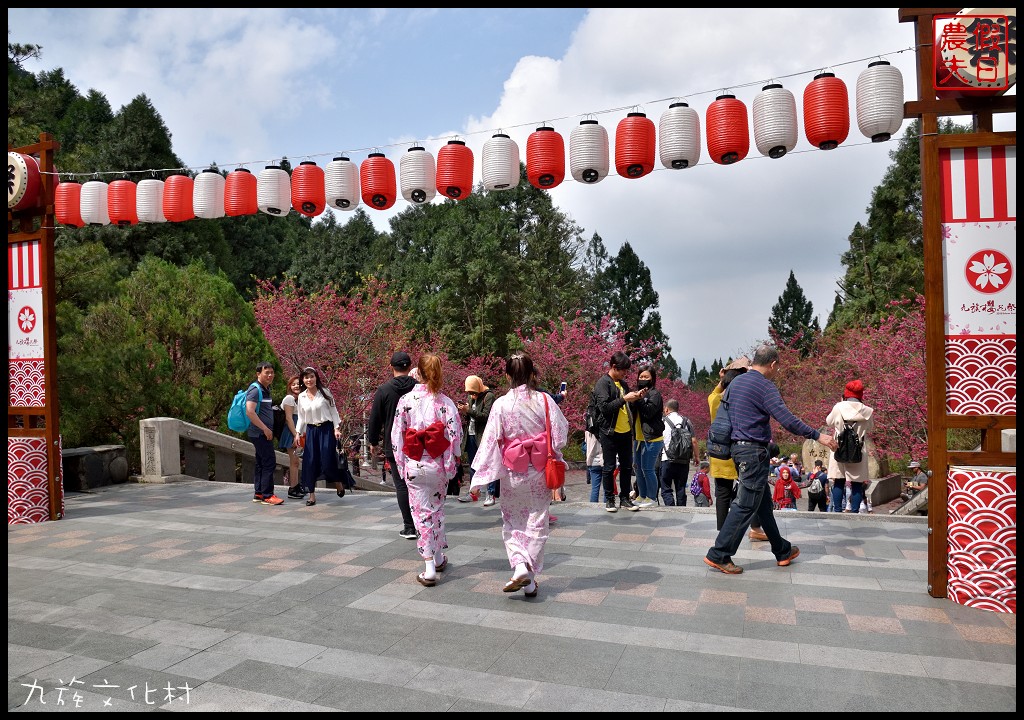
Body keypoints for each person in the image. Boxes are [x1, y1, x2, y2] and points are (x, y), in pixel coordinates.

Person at [704, 344, 837, 575]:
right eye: (778, 367)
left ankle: (782, 550)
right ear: (773, 364)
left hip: (737, 450)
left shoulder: (736, 383)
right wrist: (818, 435)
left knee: (763, 503)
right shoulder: (765, 387)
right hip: (753, 452)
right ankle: (719, 553)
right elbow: (787, 419)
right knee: (745, 504)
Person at [470, 353, 568, 598]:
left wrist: (479, 479)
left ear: (507, 376)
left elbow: (491, 441)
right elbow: (560, 435)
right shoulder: (545, 400)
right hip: (538, 471)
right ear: (533, 374)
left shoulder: (501, 404)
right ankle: (527, 571)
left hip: (513, 472)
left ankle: (523, 571)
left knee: (513, 521)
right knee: (537, 520)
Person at [391, 354, 463, 587]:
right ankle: (439, 556)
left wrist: (401, 464)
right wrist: (451, 464)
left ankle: (430, 566)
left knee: (420, 513)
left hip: (414, 462)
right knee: (436, 509)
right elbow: (455, 437)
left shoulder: (406, 401)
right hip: (437, 464)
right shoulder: (445, 403)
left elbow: (397, 435)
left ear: (417, 373)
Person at [708, 358, 766, 539]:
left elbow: (717, 390)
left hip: (718, 453)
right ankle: (755, 528)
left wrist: (723, 377)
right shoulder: (742, 397)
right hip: (739, 452)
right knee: (751, 491)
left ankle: (722, 533)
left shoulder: (714, 398)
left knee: (722, 495)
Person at [367, 351, 419, 540]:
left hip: (394, 443)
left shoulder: (384, 390)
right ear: (409, 366)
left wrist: (373, 441)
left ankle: (409, 526)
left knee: (401, 485)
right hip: (419, 442)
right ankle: (423, 522)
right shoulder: (419, 388)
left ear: (392, 367)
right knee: (418, 484)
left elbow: (375, 419)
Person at [592, 351, 642, 513]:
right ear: (614, 367)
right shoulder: (603, 383)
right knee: (609, 466)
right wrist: (624, 399)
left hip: (626, 431)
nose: (625, 374)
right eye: (623, 370)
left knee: (627, 467)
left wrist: (635, 398)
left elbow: (627, 407)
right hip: (609, 432)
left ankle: (625, 498)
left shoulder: (623, 384)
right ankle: (610, 499)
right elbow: (605, 408)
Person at [295, 366, 343, 507]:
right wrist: (298, 433)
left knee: (327, 460)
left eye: (311, 376)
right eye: (306, 377)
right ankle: (311, 495)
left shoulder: (325, 393)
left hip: (326, 430)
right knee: (310, 462)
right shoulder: (301, 396)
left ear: (316, 377)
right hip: (311, 431)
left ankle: (337, 482)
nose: (309, 380)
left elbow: (334, 412)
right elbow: (301, 417)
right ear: (303, 380)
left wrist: (336, 428)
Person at [826, 379, 875, 515]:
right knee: (857, 484)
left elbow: (828, 422)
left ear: (846, 394)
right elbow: (870, 427)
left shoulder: (838, 407)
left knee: (839, 481)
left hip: (838, 447)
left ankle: (837, 511)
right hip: (858, 449)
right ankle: (854, 512)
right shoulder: (868, 411)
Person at [246, 361, 283, 505]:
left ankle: (259, 493)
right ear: (258, 374)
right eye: (266, 372)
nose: (270, 375)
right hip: (260, 432)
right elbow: (250, 411)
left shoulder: (265, 389)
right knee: (269, 462)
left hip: (261, 432)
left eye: (272, 372)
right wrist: (265, 428)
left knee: (261, 462)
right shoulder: (256, 390)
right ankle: (268, 495)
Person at [456, 375, 496, 505]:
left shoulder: (488, 396)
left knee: (487, 464)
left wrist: (470, 411)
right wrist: (465, 410)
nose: (472, 395)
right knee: (473, 464)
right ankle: (474, 493)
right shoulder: (471, 397)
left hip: (483, 435)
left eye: (473, 392)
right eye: (469, 392)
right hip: (471, 434)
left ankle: (490, 493)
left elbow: (485, 416)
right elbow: (471, 417)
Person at [631, 365, 665, 508]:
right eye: (641, 376)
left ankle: (652, 498)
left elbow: (648, 412)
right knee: (638, 468)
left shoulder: (654, 394)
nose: (643, 379)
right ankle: (641, 495)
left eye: (646, 377)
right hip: (638, 438)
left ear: (652, 379)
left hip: (652, 438)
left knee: (648, 469)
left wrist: (638, 399)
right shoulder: (638, 393)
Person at [659, 398, 697, 506]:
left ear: (666, 409)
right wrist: (696, 457)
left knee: (666, 488)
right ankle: (682, 510)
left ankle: (670, 509)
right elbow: (693, 441)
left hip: (667, 458)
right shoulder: (686, 421)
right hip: (683, 461)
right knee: (681, 489)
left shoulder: (663, 421)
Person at [280, 374, 306, 500]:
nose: (296, 386)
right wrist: (296, 435)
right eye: (293, 384)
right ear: (290, 386)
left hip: (299, 433)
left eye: (298, 384)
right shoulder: (289, 399)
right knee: (294, 461)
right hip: (292, 433)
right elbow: (289, 419)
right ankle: (293, 488)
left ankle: (296, 486)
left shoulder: (299, 399)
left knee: (296, 461)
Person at [584, 423, 607, 503]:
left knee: (594, 488)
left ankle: (592, 509)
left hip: (593, 462)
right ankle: (607, 507)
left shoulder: (588, 432)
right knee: (606, 489)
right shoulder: (605, 430)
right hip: (605, 461)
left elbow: (586, 444)